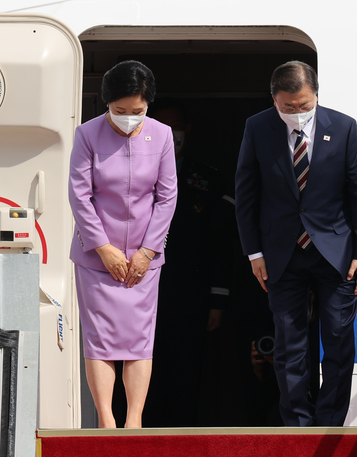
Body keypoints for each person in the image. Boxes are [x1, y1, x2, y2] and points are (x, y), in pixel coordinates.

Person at [234, 60, 357, 426]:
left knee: (339, 339)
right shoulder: (257, 127)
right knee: (289, 344)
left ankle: (329, 423)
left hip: (336, 252)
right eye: (288, 107)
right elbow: (246, 195)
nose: (297, 113)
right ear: (274, 99)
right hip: (281, 254)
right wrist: (254, 252)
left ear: (316, 96)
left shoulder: (343, 127)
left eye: (304, 105)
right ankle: (297, 424)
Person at [68, 60, 177, 428]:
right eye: (120, 110)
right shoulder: (87, 134)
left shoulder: (162, 135)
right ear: (107, 103)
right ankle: (106, 421)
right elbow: (80, 195)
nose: (129, 118)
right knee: (100, 341)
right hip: (97, 258)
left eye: (138, 111)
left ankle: (134, 421)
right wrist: (103, 247)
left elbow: (167, 197)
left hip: (144, 260)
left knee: (139, 340)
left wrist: (148, 251)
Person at [143, 100, 234, 427]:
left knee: (186, 373)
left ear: (188, 130)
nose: (171, 133)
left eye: (177, 126)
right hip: (142, 291)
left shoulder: (210, 181)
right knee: (144, 372)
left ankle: (182, 440)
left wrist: (217, 299)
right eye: (163, 126)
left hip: (191, 293)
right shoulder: (134, 175)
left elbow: (222, 244)